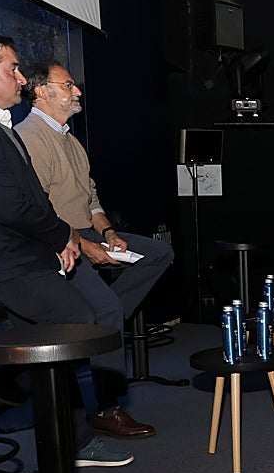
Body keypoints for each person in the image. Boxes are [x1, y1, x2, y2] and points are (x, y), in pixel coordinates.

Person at [0, 33, 133, 466]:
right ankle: (15, 382)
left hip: (19, 251)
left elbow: (31, 198)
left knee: (52, 329)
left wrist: (57, 240)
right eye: (12, 69)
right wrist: (62, 237)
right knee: (79, 318)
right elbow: (10, 204)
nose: (21, 78)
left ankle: (55, 427)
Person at [15, 60, 174, 438]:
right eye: (68, 84)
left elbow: (91, 197)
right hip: (58, 241)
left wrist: (109, 233)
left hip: (86, 230)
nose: (77, 91)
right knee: (106, 307)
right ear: (42, 91)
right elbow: (40, 214)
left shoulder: (70, 139)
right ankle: (107, 406)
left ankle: (97, 329)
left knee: (157, 254)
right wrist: (85, 245)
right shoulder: (30, 137)